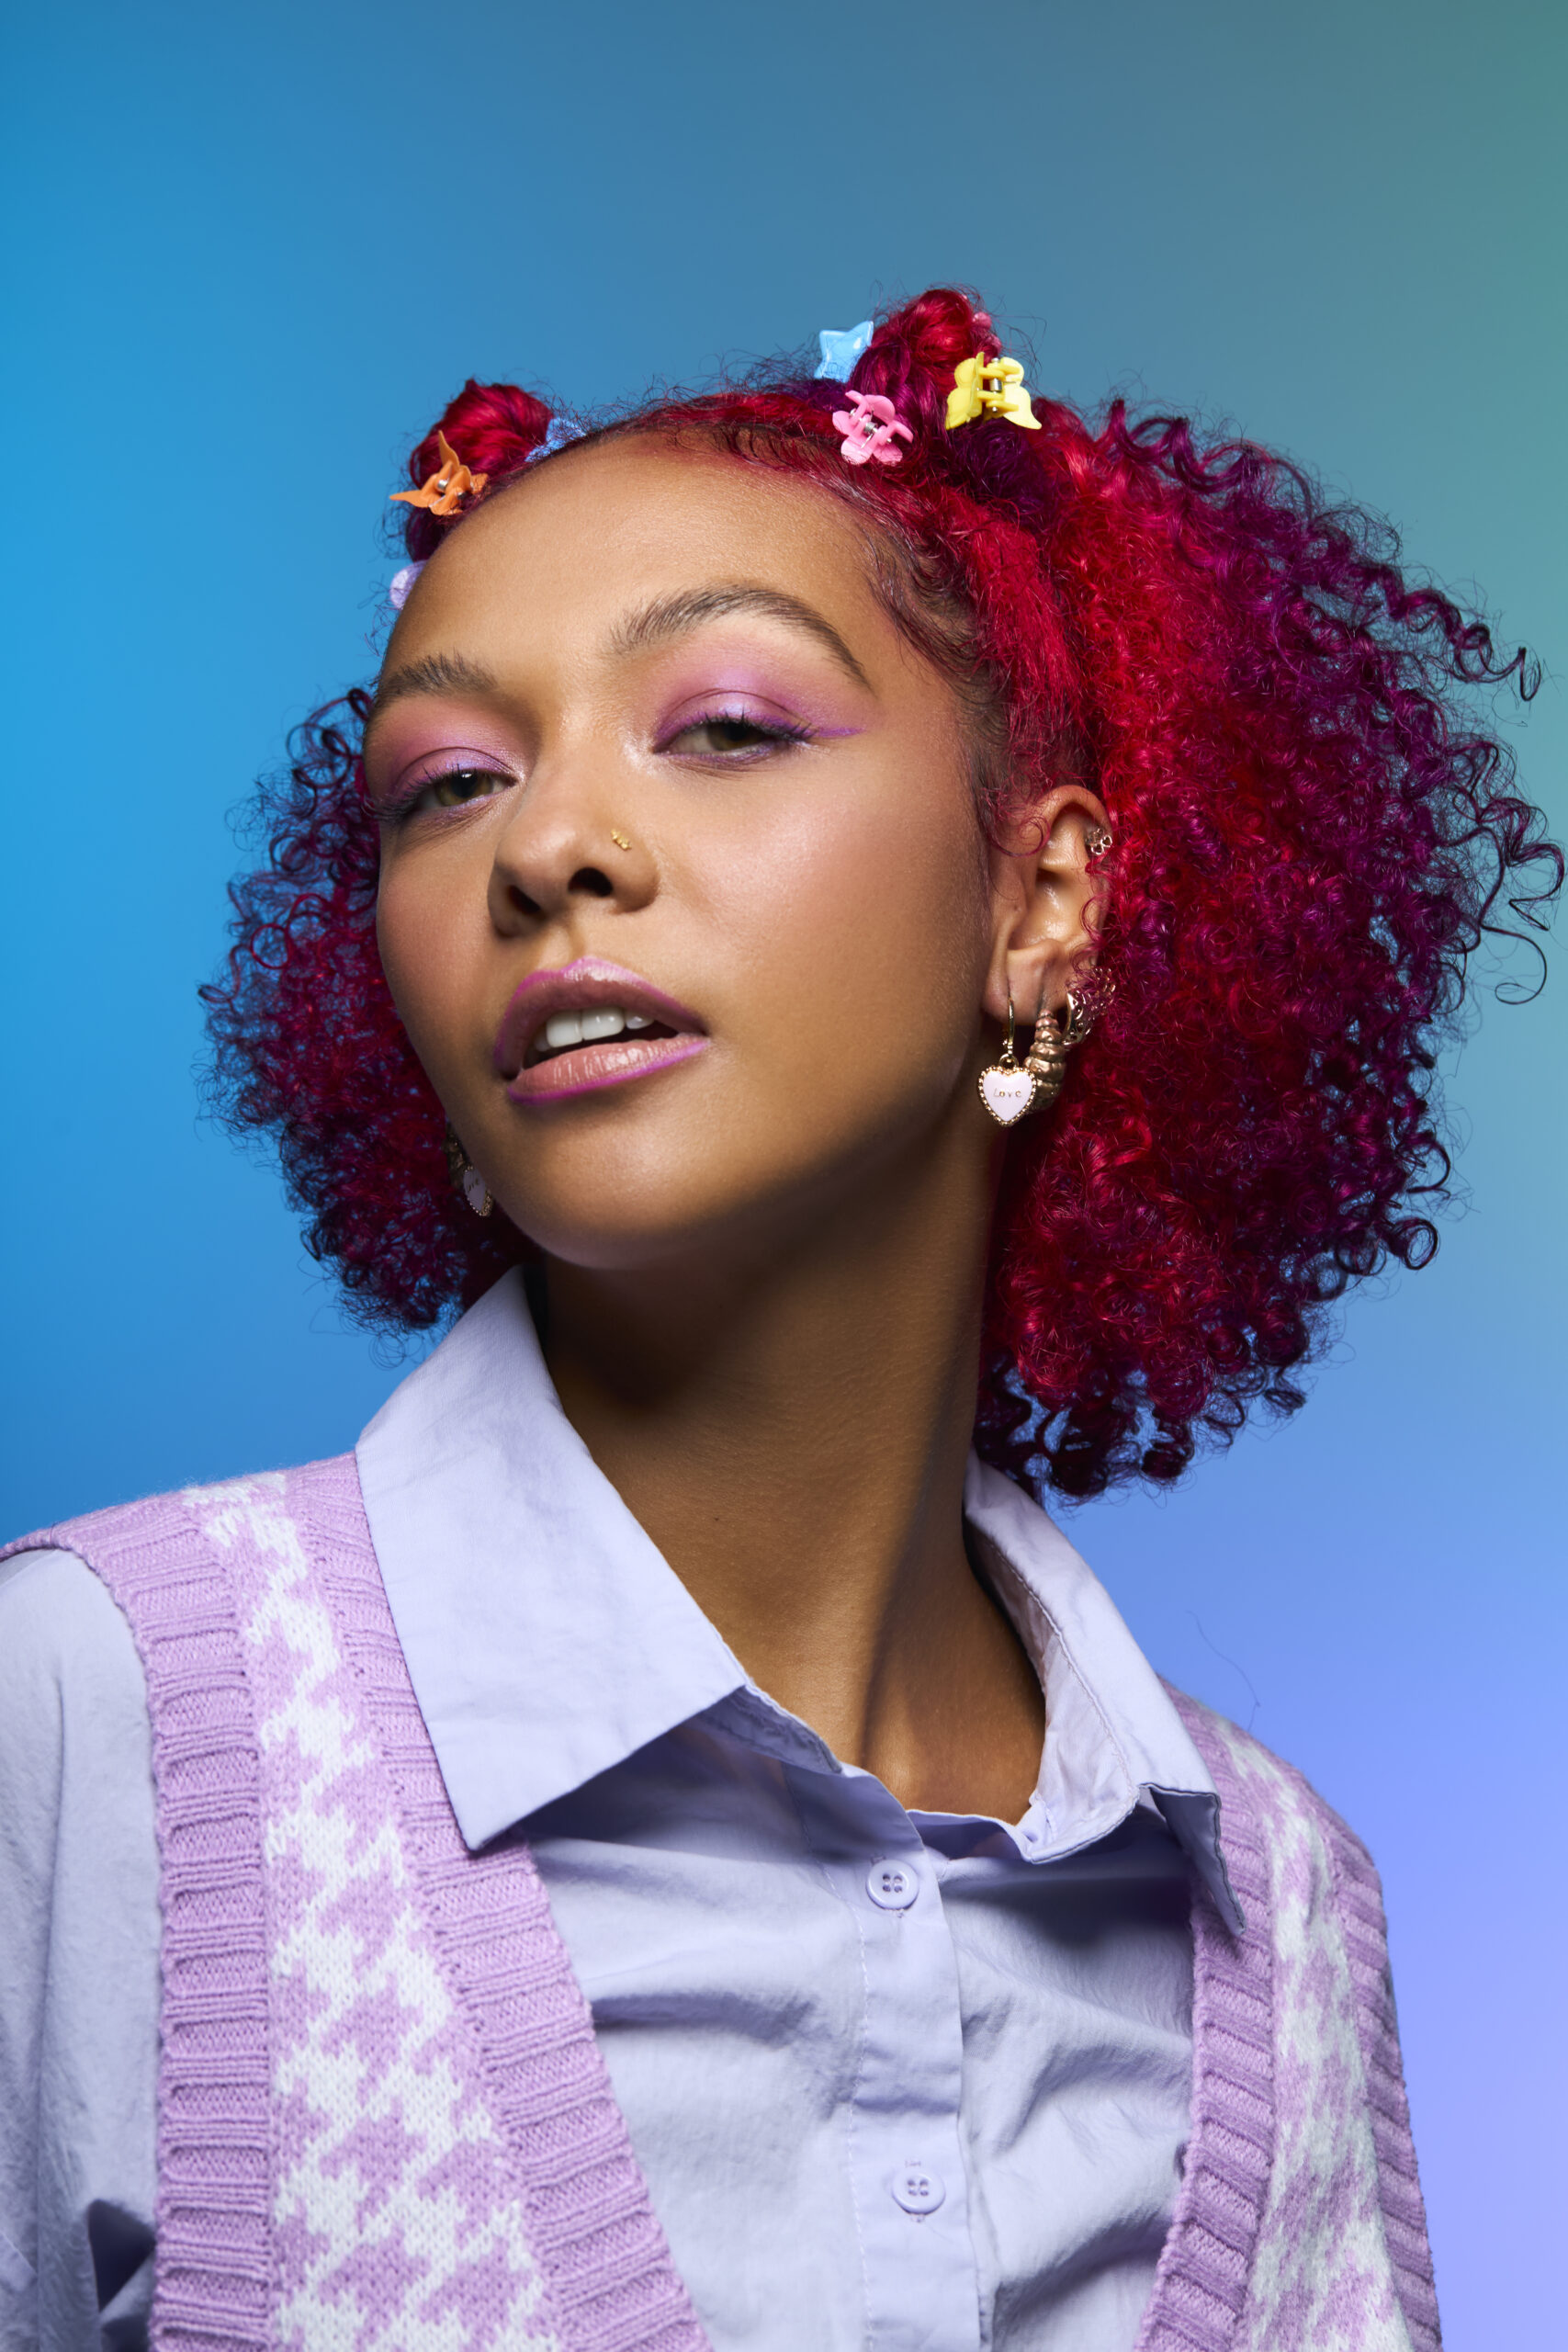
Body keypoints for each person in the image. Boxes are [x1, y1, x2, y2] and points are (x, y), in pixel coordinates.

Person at [0, 287, 1558, 2352]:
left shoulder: (1286, 1903)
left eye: (725, 726)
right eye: (445, 783)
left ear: (1043, 903)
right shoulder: (98, 1717)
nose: (549, 847)